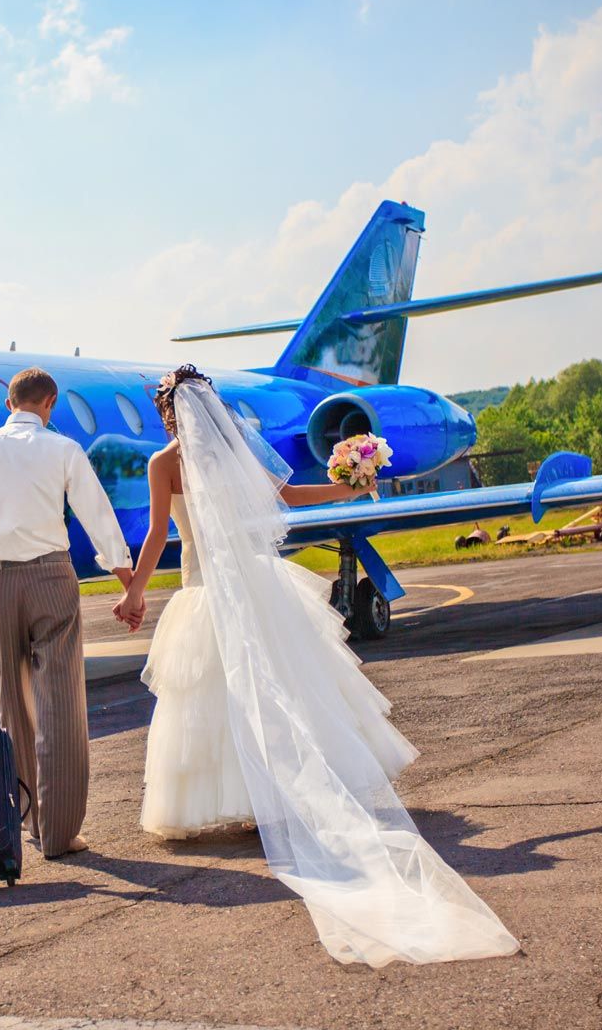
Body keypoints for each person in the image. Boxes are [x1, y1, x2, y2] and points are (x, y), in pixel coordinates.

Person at [113, 365, 518, 967]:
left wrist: (136, 592)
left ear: (167, 413)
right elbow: (286, 498)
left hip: (206, 589)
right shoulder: (236, 451)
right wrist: (344, 491)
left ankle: (248, 800)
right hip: (260, 584)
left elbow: (153, 536)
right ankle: (278, 797)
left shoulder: (162, 465)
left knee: (217, 697)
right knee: (292, 684)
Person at [0, 367, 135, 859]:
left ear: (9, 404)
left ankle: (31, 820)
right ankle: (61, 832)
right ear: (48, 404)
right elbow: (97, 514)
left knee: (14, 704)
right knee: (60, 704)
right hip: (51, 578)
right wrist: (127, 582)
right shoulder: (63, 449)